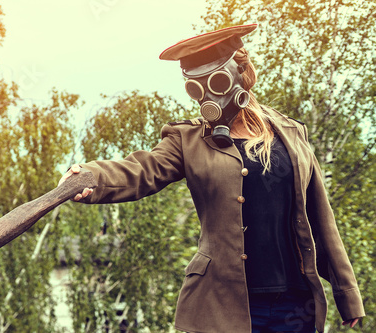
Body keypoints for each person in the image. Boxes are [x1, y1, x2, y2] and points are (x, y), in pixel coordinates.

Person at [58, 24, 365, 333]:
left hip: (295, 306)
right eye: (197, 87)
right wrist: (91, 177)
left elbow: (320, 219)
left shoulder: (290, 134)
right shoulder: (188, 139)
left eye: (216, 81)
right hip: (223, 306)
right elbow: (142, 169)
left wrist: (347, 293)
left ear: (241, 71)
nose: (207, 95)